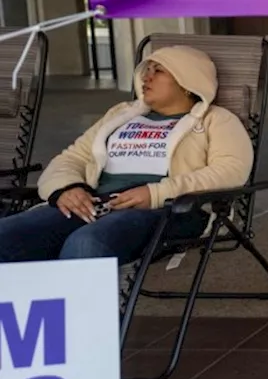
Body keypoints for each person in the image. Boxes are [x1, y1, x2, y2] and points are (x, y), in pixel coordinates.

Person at [0, 45, 253, 264]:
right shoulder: (122, 114)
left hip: (169, 210)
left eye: (158, 71)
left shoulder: (216, 120)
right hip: (95, 204)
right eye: (146, 70)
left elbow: (231, 170)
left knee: (87, 242)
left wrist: (156, 193)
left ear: (188, 82)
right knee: (6, 234)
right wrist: (66, 189)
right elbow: (72, 157)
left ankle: (84, 321)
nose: (147, 77)